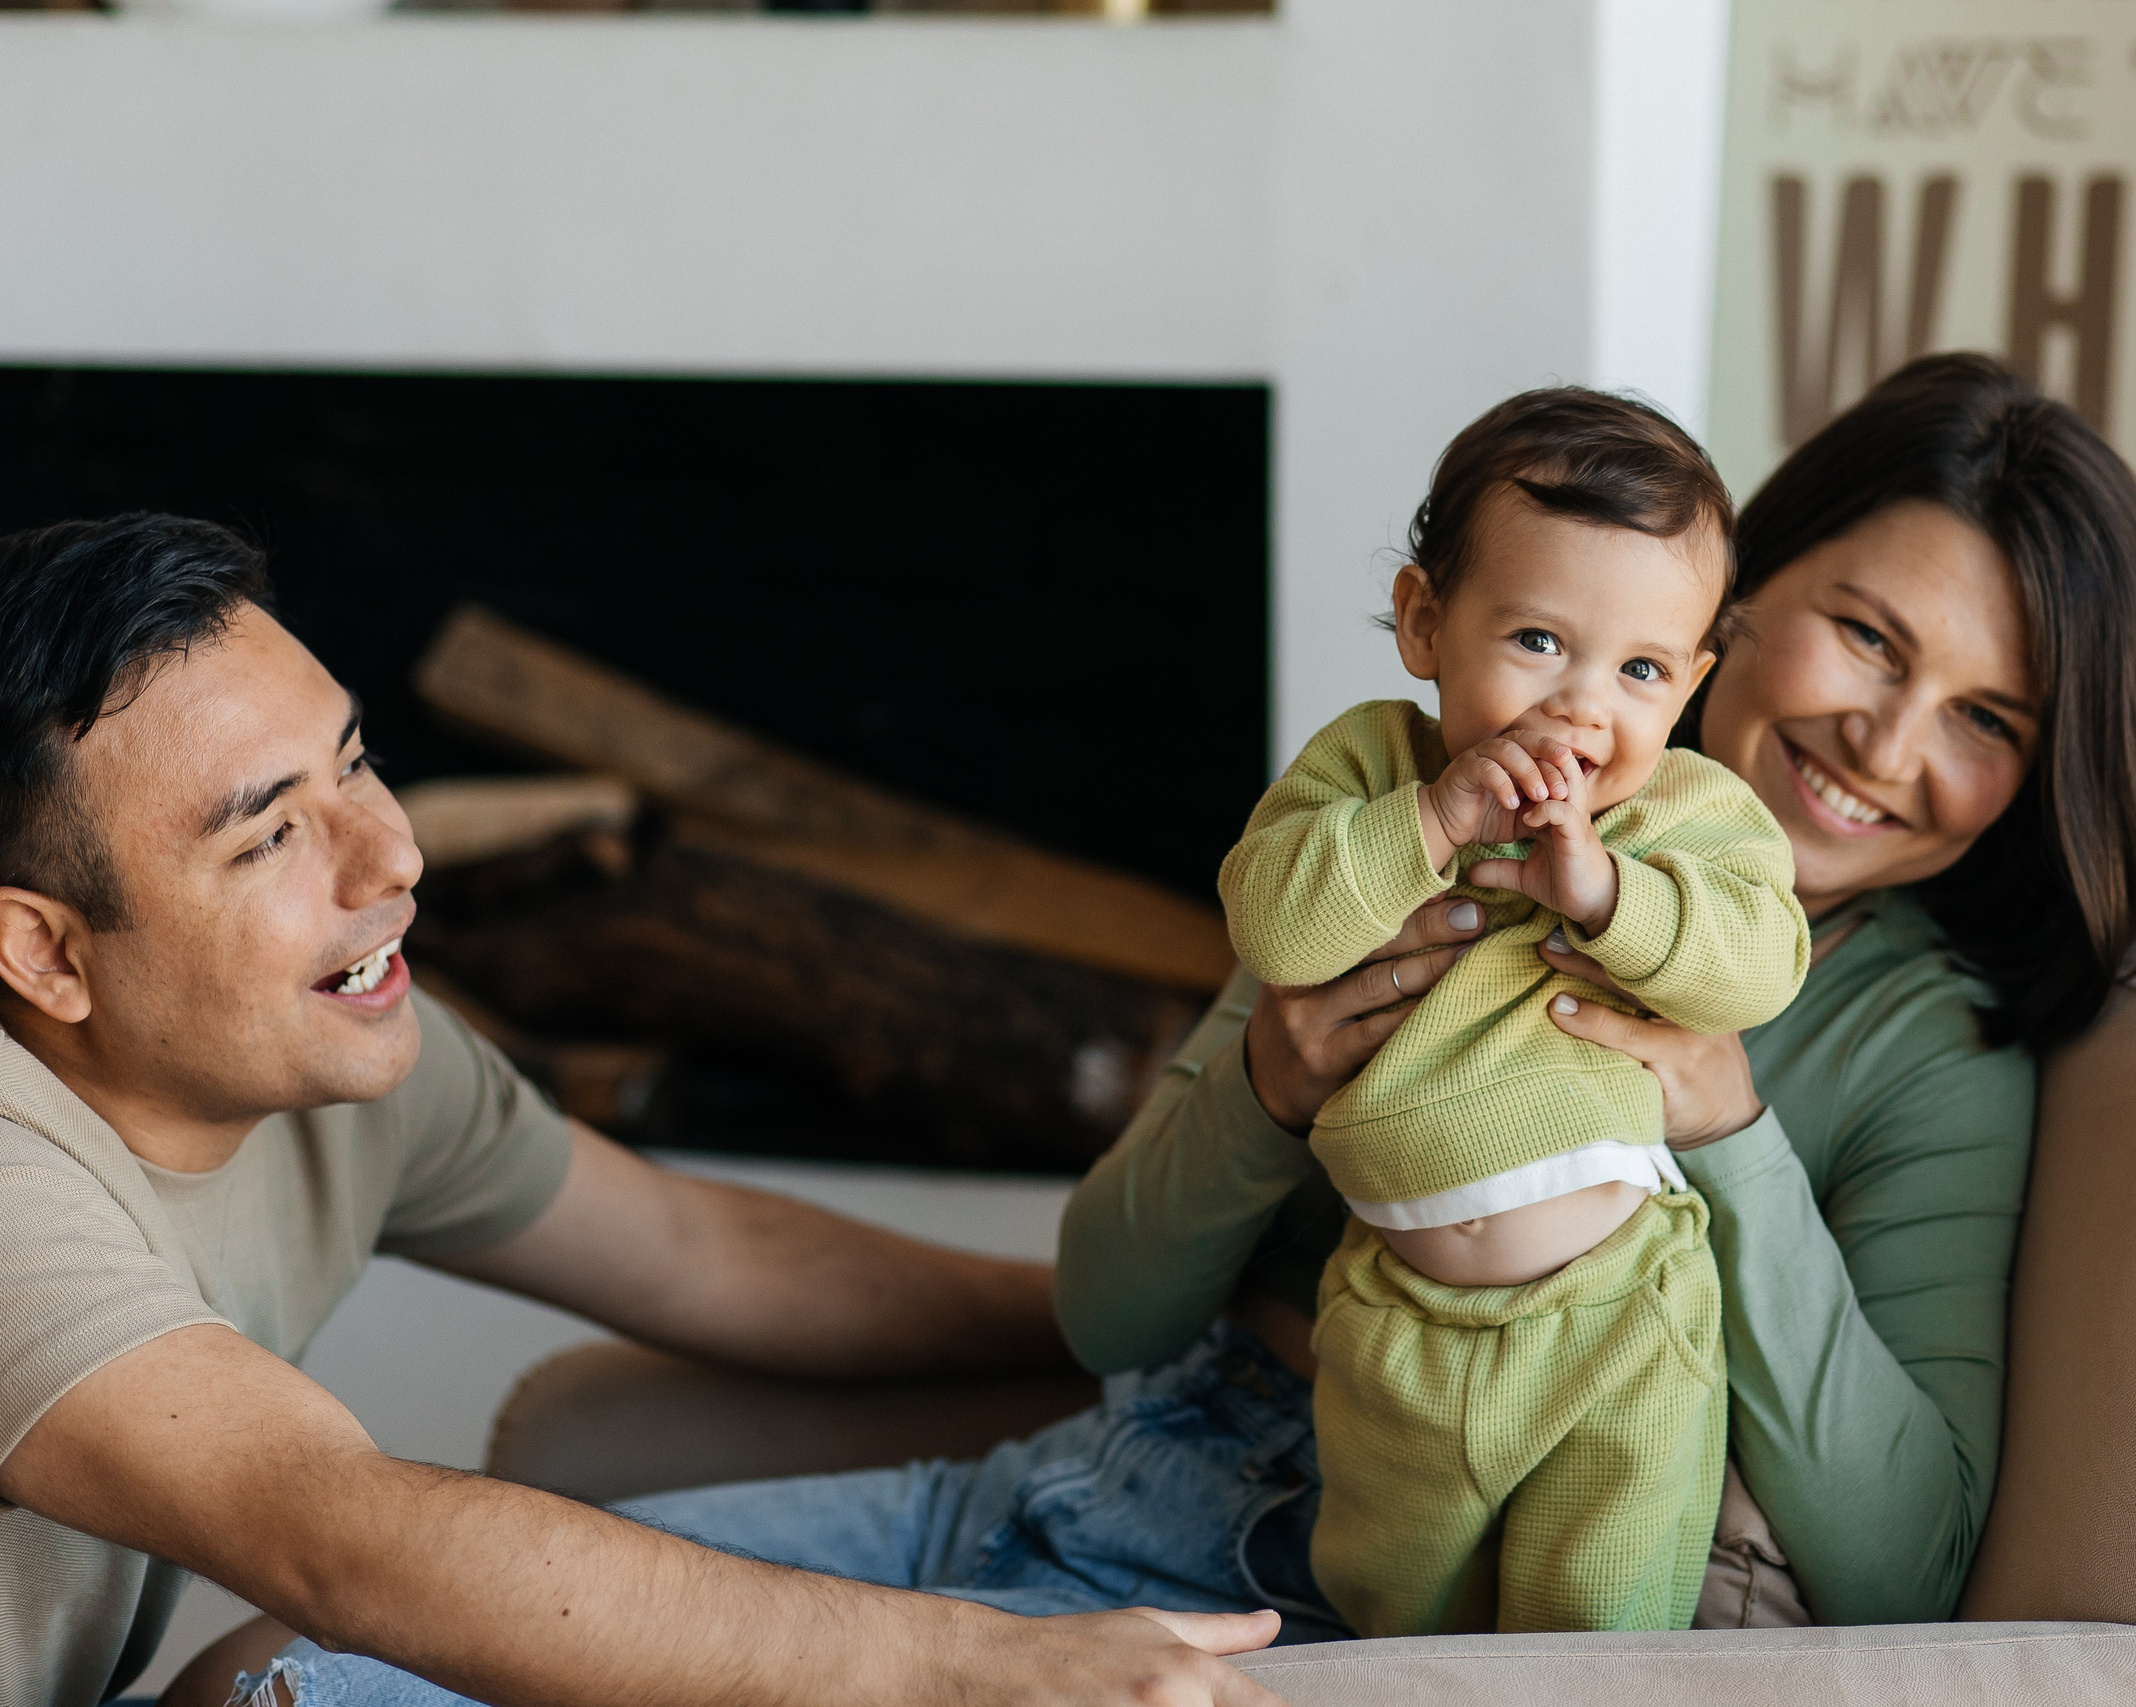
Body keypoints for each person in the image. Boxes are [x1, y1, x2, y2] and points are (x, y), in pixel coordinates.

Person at [247, 350, 2136, 1702]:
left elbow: (1901, 1559)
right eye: (1863, 634)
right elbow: (1108, 1304)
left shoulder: (1927, 1048)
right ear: (1734, 602)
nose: (1884, 740)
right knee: (348, 1654)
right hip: (1119, 1461)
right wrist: (1260, 1083)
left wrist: (1728, 1129)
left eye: (1987, 717)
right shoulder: (1406, 806)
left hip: (1329, 1580)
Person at [0, 514, 1284, 1707]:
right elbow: (341, 1536)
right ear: (44, 952)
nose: (392, 855)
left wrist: (1160, 1314)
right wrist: (974, 1668)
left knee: (281, 1667)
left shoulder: (337, 1053)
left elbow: (703, 1253)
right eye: (270, 839)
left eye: (355, 762)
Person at [1215, 389, 1806, 1635]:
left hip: (1619, 1319)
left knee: (1598, 1626)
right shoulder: (1371, 770)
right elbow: (1272, 925)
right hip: (1392, 1322)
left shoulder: (1680, 818)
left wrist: (1609, 898)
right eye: (1538, 640)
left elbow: (1757, 966)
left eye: (1641, 669)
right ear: (1426, 623)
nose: (1583, 708)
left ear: (1692, 682)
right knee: (1394, 1622)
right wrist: (1435, 822)